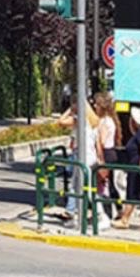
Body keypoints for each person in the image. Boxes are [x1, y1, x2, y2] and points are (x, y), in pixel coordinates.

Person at [56, 95, 108, 230]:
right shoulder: (93, 121)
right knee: (77, 187)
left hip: (83, 157)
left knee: (87, 189)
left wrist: (70, 110)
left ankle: (102, 216)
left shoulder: (79, 119)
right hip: (89, 157)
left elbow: (60, 121)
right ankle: (76, 217)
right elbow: (97, 143)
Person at [94, 92, 122, 217]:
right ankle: (116, 209)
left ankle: (108, 211)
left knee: (104, 184)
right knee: (109, 184)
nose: (94, 106)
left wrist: (99, 156)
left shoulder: (105, 121)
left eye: (96, 104)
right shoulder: (110, 120)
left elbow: (103, 141)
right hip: (111, 153)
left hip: (106, 153)